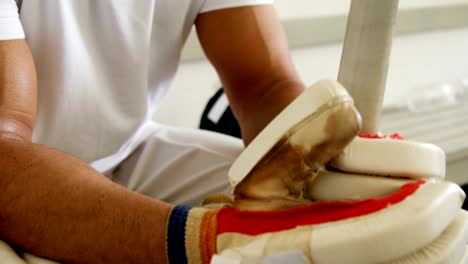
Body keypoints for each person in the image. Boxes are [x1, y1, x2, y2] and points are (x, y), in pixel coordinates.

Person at [0, 0, 311, 263]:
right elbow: (4, 155)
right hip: (20, 167)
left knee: (322, 205)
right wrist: (202, 239)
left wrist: (314, 155)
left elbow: (265, 87)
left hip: (127, 148)